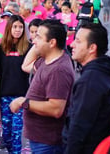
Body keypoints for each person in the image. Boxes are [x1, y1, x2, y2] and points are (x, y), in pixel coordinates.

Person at [10, 19, 75, 153]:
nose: (33, 41)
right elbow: (25, 65)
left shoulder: (59, 70)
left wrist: (24, 102)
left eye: (38, 37)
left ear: (52, 43)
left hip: (48, 143)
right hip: (40, 140)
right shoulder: (47, 60)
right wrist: (39, 44)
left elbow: (56, 109)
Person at [62, 23, 110, 153]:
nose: (72, 45)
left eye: (78, 41)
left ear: (92, 48)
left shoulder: (90, 81)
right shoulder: (108, 69)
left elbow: (79, 127)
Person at [0, 15, 31, 153]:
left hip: (21, 96)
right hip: (5, 96)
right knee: (7, 134)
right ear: (9, 28)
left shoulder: (28, 48)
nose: (18, 30)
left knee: (17, 133)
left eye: (21, 27)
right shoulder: (1, 49)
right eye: (15, 27)